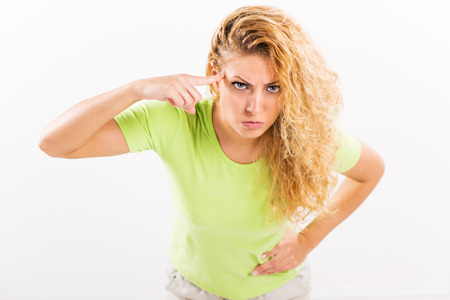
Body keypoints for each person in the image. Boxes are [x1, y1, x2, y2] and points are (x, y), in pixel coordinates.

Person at [38, 5, 384, 300]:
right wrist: (135, 89)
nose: (256, 107)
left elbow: (371, 171)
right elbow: (54, 143)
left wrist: (307, 241)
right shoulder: (175, 120)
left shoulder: (303, 131)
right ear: (214, 77)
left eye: (273, 88)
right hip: (192, 287)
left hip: (279, 288)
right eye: (240, 85)